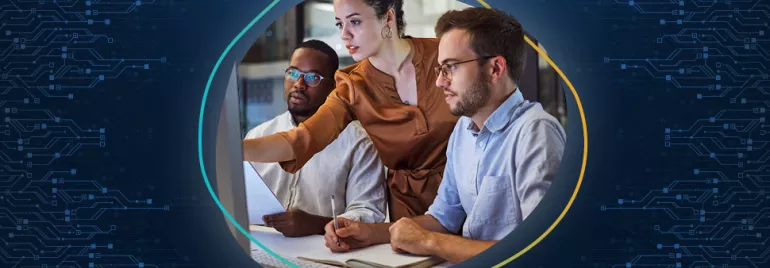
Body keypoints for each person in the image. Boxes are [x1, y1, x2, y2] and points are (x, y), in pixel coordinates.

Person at [321, 7, 567, 264]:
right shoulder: (463, 130)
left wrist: (429, 242)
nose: (440, 82)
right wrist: (368, 233)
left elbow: (539, 250)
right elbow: (442, 218)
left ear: (495, 69)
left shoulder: (536, 133)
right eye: (439, 69)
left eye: (451, 67)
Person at [242, 0, 460, 221]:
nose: (344, 35)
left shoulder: (444, 55)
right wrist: (232, 149)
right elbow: (301, 139)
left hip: (469, 193)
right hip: (409, 210)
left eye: (355, 21)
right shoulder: (352, 87)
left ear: (389, 18)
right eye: (339, 24)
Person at [244, 39, 386, 237]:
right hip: (261, 244)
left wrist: (316, 224)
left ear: (333, 85)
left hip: (325, 252)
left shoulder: (359, 144)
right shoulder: (259, 135)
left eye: (313, 78)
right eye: (293, 73)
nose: (299, 84)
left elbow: (370, 214)